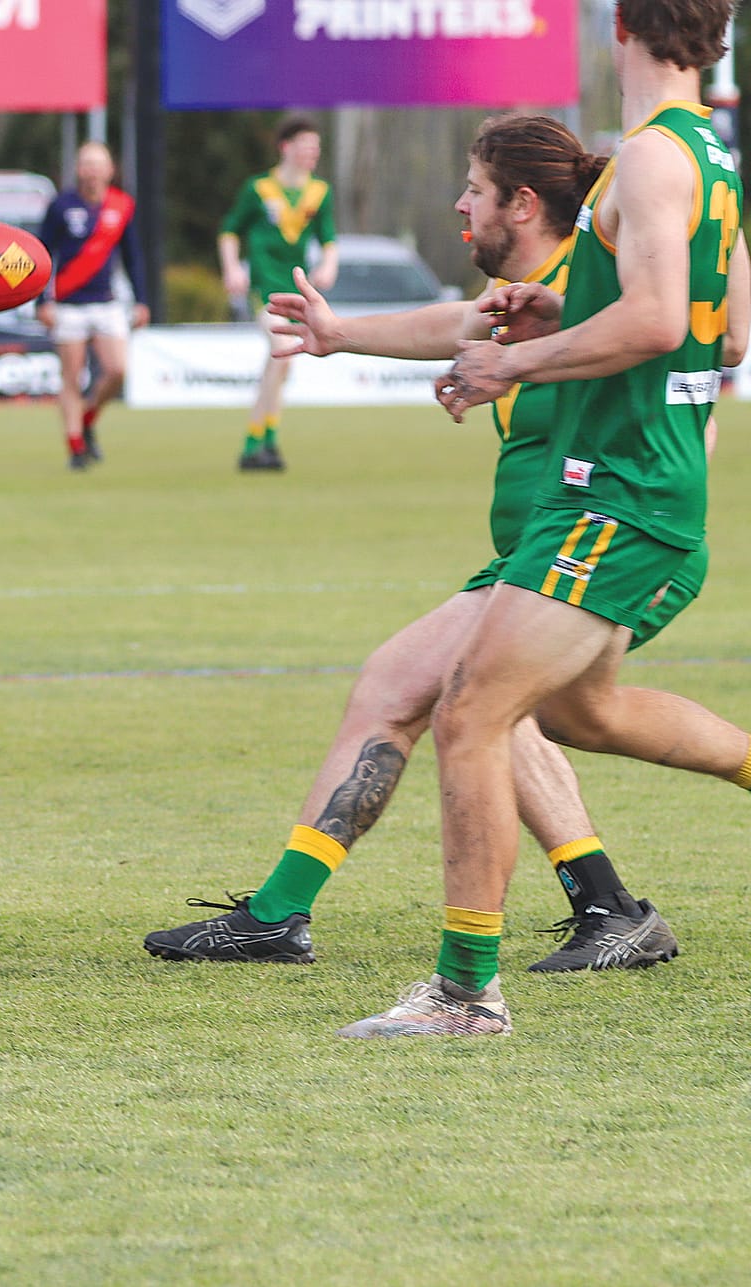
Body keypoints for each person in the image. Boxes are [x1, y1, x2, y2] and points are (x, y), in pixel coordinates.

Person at [144, 113, 730, 975]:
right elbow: (453, 323)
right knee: (558, 710)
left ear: (522, 204)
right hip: (543, 551)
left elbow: (683, 370)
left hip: (614, 538)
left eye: (475, 189)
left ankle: (354, 941)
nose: (460, 204)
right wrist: (339, 335)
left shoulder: (602, 288)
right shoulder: (538, 300)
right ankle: (604, 906)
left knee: (449, 696)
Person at [346, 0, 748, 1037]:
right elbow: (726, 331)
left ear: (619, 25)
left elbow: (659, 320)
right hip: (630, 482)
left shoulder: (650, 161)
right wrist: (555, 316)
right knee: (576, 710)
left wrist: (510, 359)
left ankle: (463, 992)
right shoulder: (703, 151)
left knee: (470, 712)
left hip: (619, 489)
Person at [219, 116, 337, 472]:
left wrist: (330, 264)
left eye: (316, 148)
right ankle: (259, 440)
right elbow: (228, 231)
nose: (312, 154)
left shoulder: (319, 192)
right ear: (286, 147)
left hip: (298, 289)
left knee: (280, 365)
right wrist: (232, 268)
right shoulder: (259, 189)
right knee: (282, 354)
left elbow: (328, 238)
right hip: (265, 288)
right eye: (305, 146)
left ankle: (261, 441)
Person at [37, 141, 149, 470]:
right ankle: (75, 448)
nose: (92, 170)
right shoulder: (60, 206)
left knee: (117, 371)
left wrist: (141, 300)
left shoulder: (122, 206)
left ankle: (87, 418)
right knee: (71, 377)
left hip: (106, 303)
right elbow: (42, 254)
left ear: (110, 170)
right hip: (68, 306)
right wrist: (43, 301)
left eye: (98, 164)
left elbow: (132, 257)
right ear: (77, 169)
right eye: (86, 163)